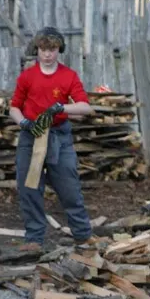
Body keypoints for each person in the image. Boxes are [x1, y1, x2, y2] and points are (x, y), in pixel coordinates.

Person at [9, 26, 94, 251]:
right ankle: (34, 239)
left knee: (69, 186)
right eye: (43, 49)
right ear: (37, 49)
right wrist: (24, 123)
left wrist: (61, 107)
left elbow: (85, 107)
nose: (47, 54)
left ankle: (83, 235)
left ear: (59, 50)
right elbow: (14, 107)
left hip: (58, 135)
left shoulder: (68, 76)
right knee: (29, 188)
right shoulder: (27, 76)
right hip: (31, 135)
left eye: (52, 49)